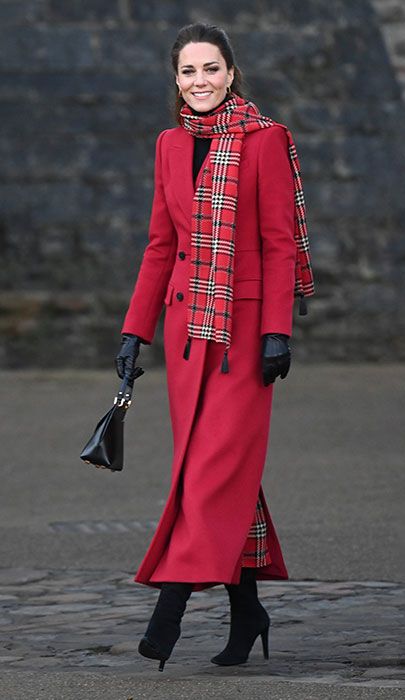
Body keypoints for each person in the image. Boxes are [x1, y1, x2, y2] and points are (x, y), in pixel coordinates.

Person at [115, 22, 314, 672]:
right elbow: (159, 245)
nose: (199, 81)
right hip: (186, 332)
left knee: (208, 473)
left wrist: (279, 329)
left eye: (211, 68)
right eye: (187, 71)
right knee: (219, 473)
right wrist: (133, 331)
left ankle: (168, 610)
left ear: (232, 73)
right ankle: (247, 607)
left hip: (247, 336)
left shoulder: (266, 141)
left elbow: (280, 242)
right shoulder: (169, 145)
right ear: (175, 79)